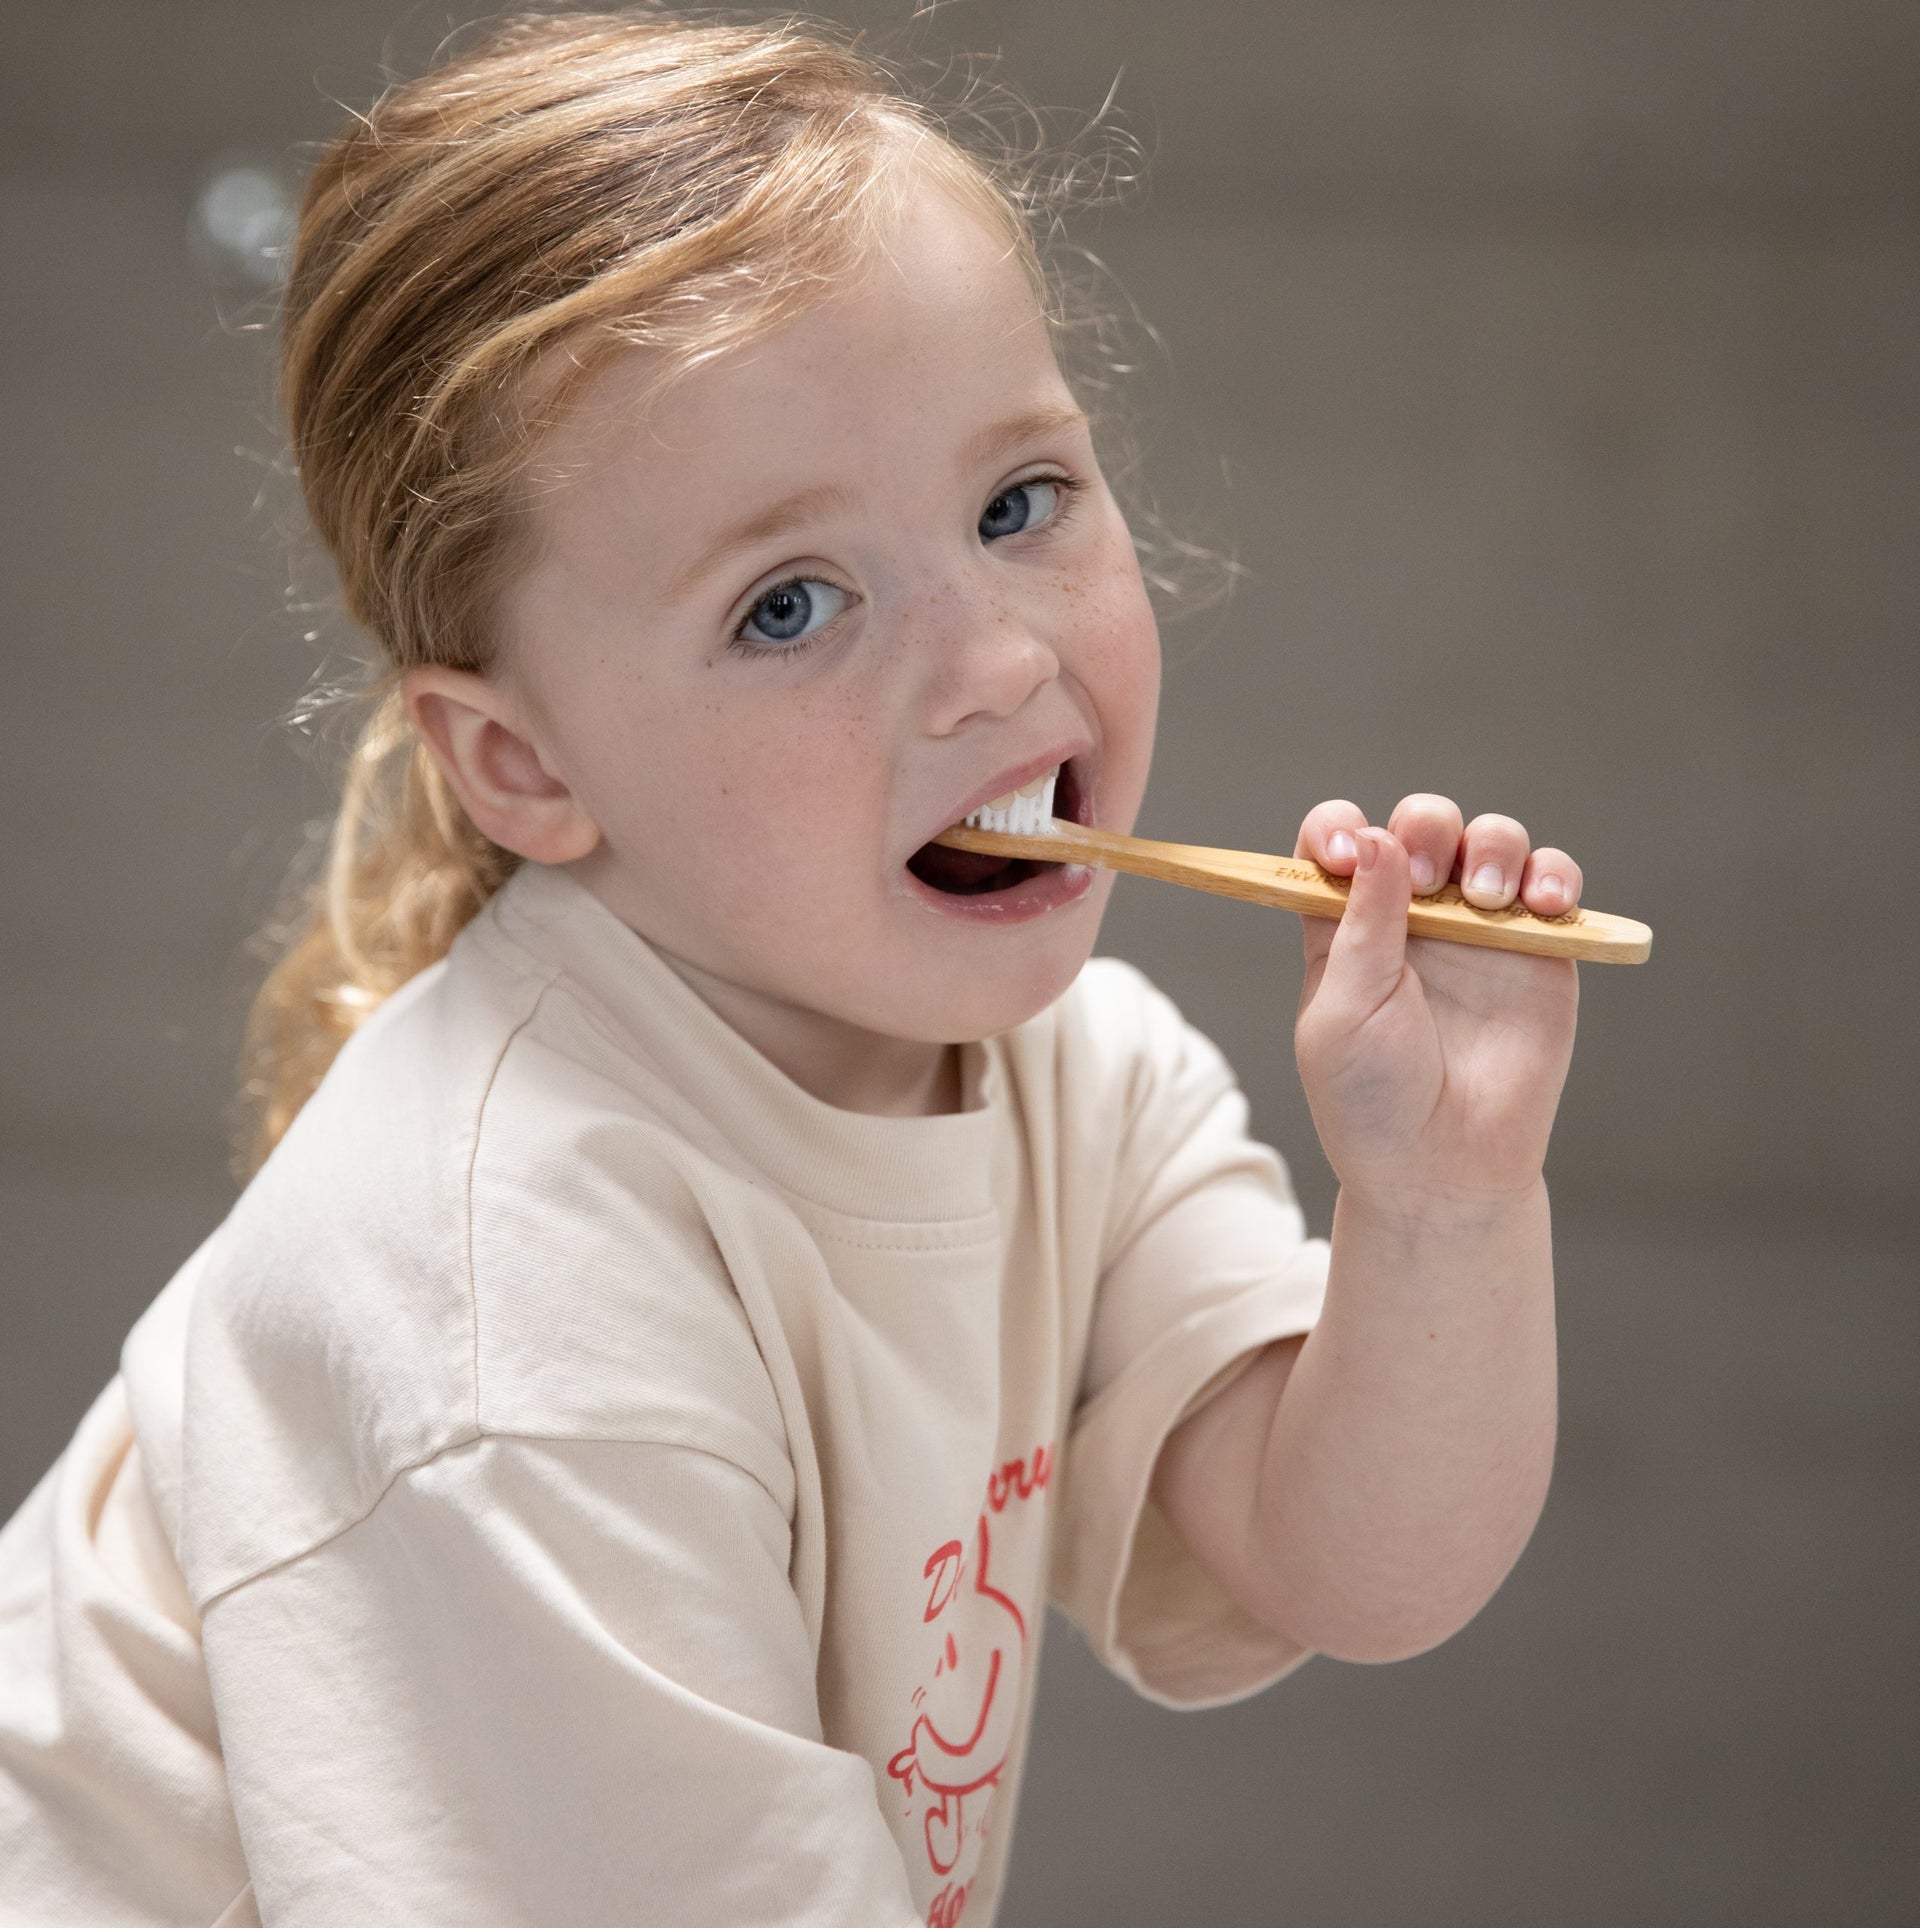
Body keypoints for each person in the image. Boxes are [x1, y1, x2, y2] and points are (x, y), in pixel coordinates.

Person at [0, 11, 1587, 1925]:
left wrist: (1441, 1203)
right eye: (790, 605)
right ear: (524, 765)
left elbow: (1336, 1560)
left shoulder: (1075, 1065)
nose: (997, 660)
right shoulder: (516, 1304)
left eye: (1020, 503)